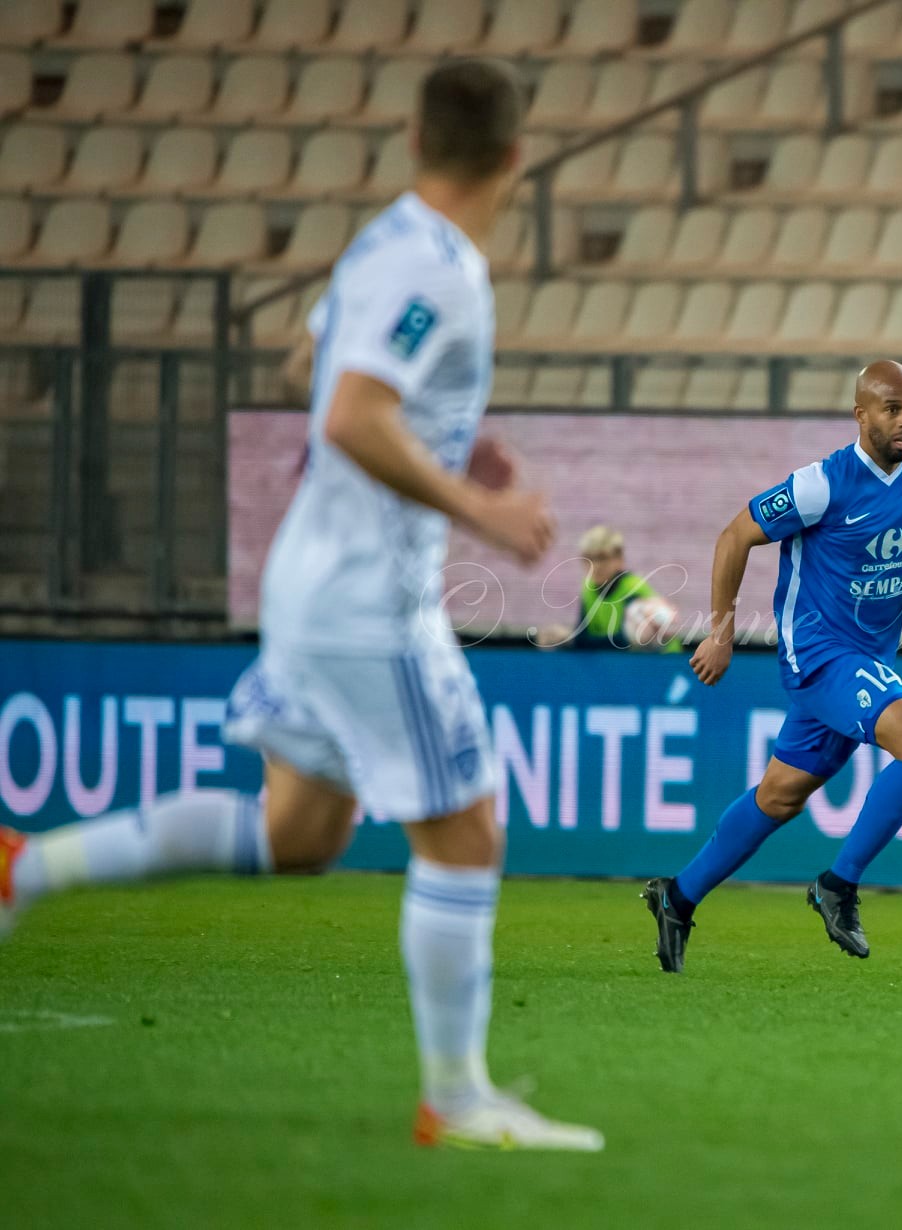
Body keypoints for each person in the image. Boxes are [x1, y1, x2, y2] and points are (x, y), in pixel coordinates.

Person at [0, 61, 602, 1152]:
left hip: (309, 577)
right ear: (517, 159)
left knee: (299, 833)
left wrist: (432, 441)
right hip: (372, 599)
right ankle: (457, 1100)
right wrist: (481, 506)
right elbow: (352, 417)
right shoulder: (447, 271)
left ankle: (22, 868)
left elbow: (313, 358)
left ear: (415, 138)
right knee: (467, 829)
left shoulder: (379, 241)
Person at [641, 359, 902, 973]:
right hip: (818, 653)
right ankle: (838, 885)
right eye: (892, 409)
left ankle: (677, 897)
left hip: (865, 659)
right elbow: (735, 536)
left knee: (781, 796)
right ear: (860, 414)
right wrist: (721, 632)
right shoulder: (823, 484)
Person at [537, 525, 682, 651]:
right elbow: (584, 638)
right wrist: (563, 638)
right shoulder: (589, 588)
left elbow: (623, 642)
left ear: (619, 559)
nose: (596, 565)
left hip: (663, 663)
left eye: (602, 558)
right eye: (589, 558)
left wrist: (569, 638)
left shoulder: (633, 588)